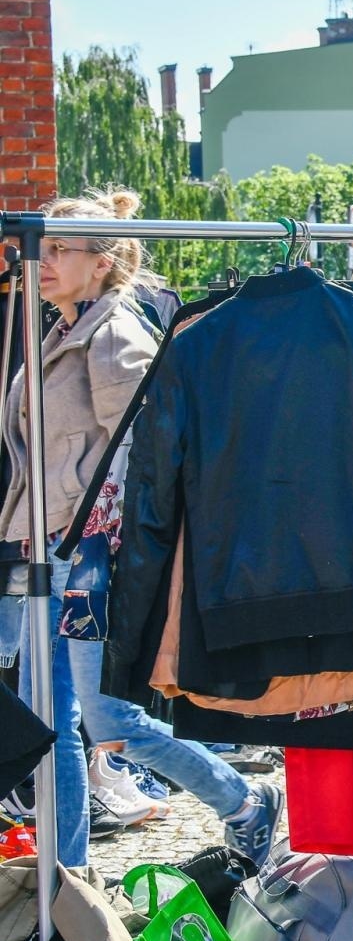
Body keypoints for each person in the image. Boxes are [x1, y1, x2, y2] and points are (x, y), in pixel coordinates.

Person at [0, 188, 283, 869]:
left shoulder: (115, 337)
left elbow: (146, 455)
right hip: (52, 551)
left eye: (59, 249)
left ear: (101, 263)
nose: (41, 261)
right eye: (41, 248)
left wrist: (109, 555)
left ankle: (243, 801)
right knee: (49, 728)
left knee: (110, 722)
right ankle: (67, 878)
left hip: (94, 561)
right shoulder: (62, 328)